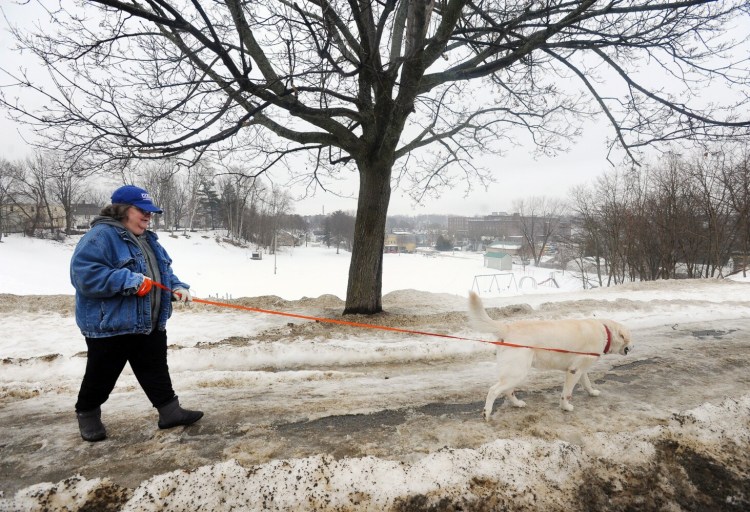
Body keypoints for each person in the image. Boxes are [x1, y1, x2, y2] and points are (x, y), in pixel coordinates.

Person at [70, 185, 203, 442]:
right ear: (121, 210)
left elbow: (163, 272)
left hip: (148, 322)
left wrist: (177, 286)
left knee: (155, 370)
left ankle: (170, 412)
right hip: (112, 326)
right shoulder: (100, 237)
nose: (147, 217)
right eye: (141, 211)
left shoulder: (148, 240)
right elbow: (83, 276)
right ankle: (87, 414)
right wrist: (127, 280)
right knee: (101, 375)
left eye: (150, 213)